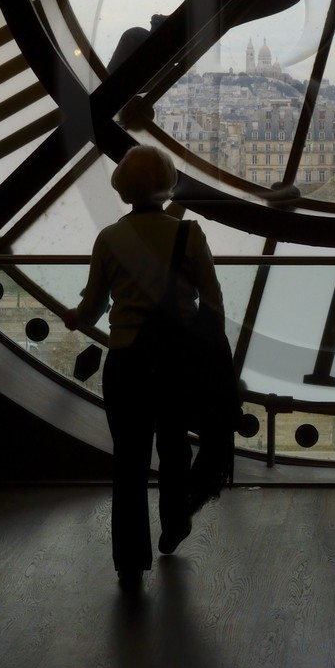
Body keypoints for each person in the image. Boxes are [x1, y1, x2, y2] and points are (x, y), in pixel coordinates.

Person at [66, 145, 234, 586]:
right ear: (167, 184)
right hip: (176, 361)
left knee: (129, 460)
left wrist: (77, 318)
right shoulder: (190, 235)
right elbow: (213, 303)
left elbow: (93, 305)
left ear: (123, 189)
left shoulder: (109, 239)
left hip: (126, 362)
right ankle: (174, 524)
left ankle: (129, 561)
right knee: (174, 447)